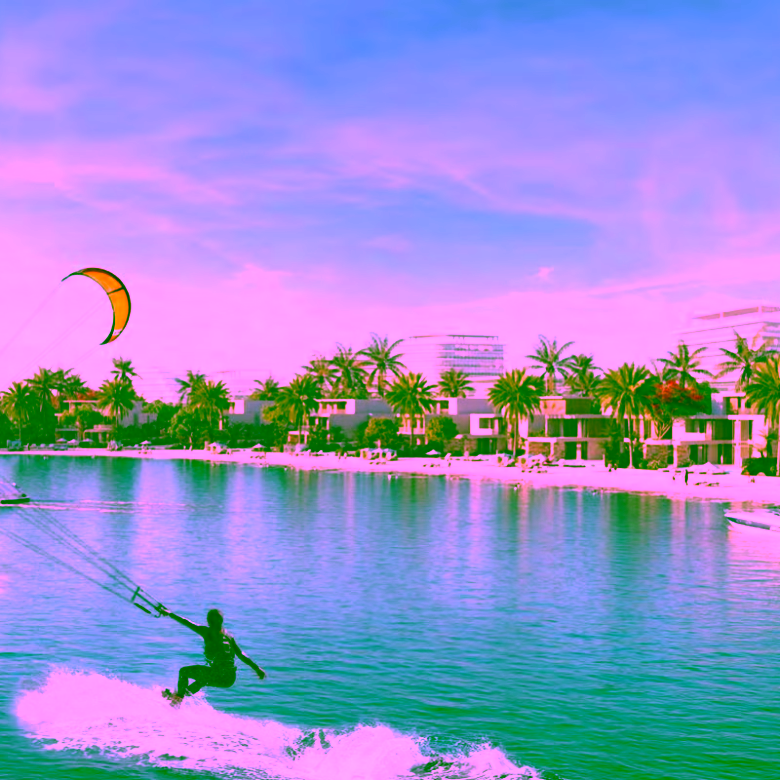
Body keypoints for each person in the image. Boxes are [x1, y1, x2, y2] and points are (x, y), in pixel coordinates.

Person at [160, 607, 266, 705]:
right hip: (229, 679)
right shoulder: (228, 636)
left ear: (210, 621)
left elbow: (186, 622)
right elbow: (241, 655)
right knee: (201, 681)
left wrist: (170, 614)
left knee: (184, 672)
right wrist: (257, 669)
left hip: (219, 674)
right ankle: (178, 696)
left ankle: (177, 699)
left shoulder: (207, 632)